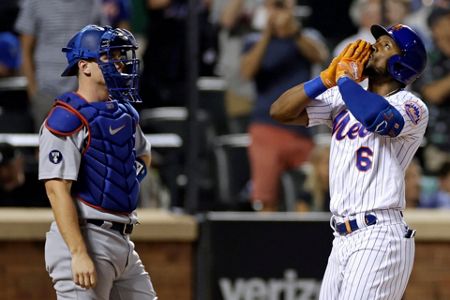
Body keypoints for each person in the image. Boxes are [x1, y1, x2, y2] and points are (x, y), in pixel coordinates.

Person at [270, 23, 428, 299]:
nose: (375, 46)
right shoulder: (342, 95)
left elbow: (377, 118)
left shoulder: (411, 105)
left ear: (401, 64)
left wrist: (344, 80)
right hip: (341, 237)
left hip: (379, 233)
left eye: (387, 45)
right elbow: (280, 111)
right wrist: (326, 78)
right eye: (378, 41)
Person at [38, 25, 157, 299]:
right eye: (109, 56)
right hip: (85, 235)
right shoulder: (65, 118)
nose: (119, 62)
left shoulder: (124, 113)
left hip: (123, 239)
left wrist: (120, 177)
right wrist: (78, 252)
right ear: (85, 66)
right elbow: (56, 190)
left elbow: (143, 154)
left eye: (119, 55)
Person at [241, 0, 328, 212]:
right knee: (266, 196)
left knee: (311, 190)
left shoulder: (306, 36)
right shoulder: (254, 40)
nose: (279, 11)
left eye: (283, 6)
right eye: (275, 5)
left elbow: (321, 56)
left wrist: (294, 32)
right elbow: (246, 72)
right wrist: (268, 33)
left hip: (303, 126)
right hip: (266, 127)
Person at [14, 0, 106, 131]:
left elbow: (103, 44)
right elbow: (25, 50)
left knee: (87, 146)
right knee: (47, 146)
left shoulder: (93, 3)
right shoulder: (34, 2)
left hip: (83, 92)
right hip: (45, 92)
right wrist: (33, 92)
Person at [0, 142, 48, 207]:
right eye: (1, 168)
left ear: (19, 162)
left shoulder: (37, 187)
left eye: (8, 166)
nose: (4, 172)